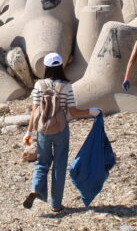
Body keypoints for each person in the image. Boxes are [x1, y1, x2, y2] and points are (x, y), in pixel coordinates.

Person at [24, 52, 101, 215]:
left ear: (46, 67)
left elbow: (34, 110)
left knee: (42, 162)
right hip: (61, 130)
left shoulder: (39, 85)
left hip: (42, 129)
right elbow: (73, 112)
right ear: (60, 66)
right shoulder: (66, 86)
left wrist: (29, 132)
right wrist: (91, 111)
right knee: (59, 166)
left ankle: (35, 188)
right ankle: (56, 205)